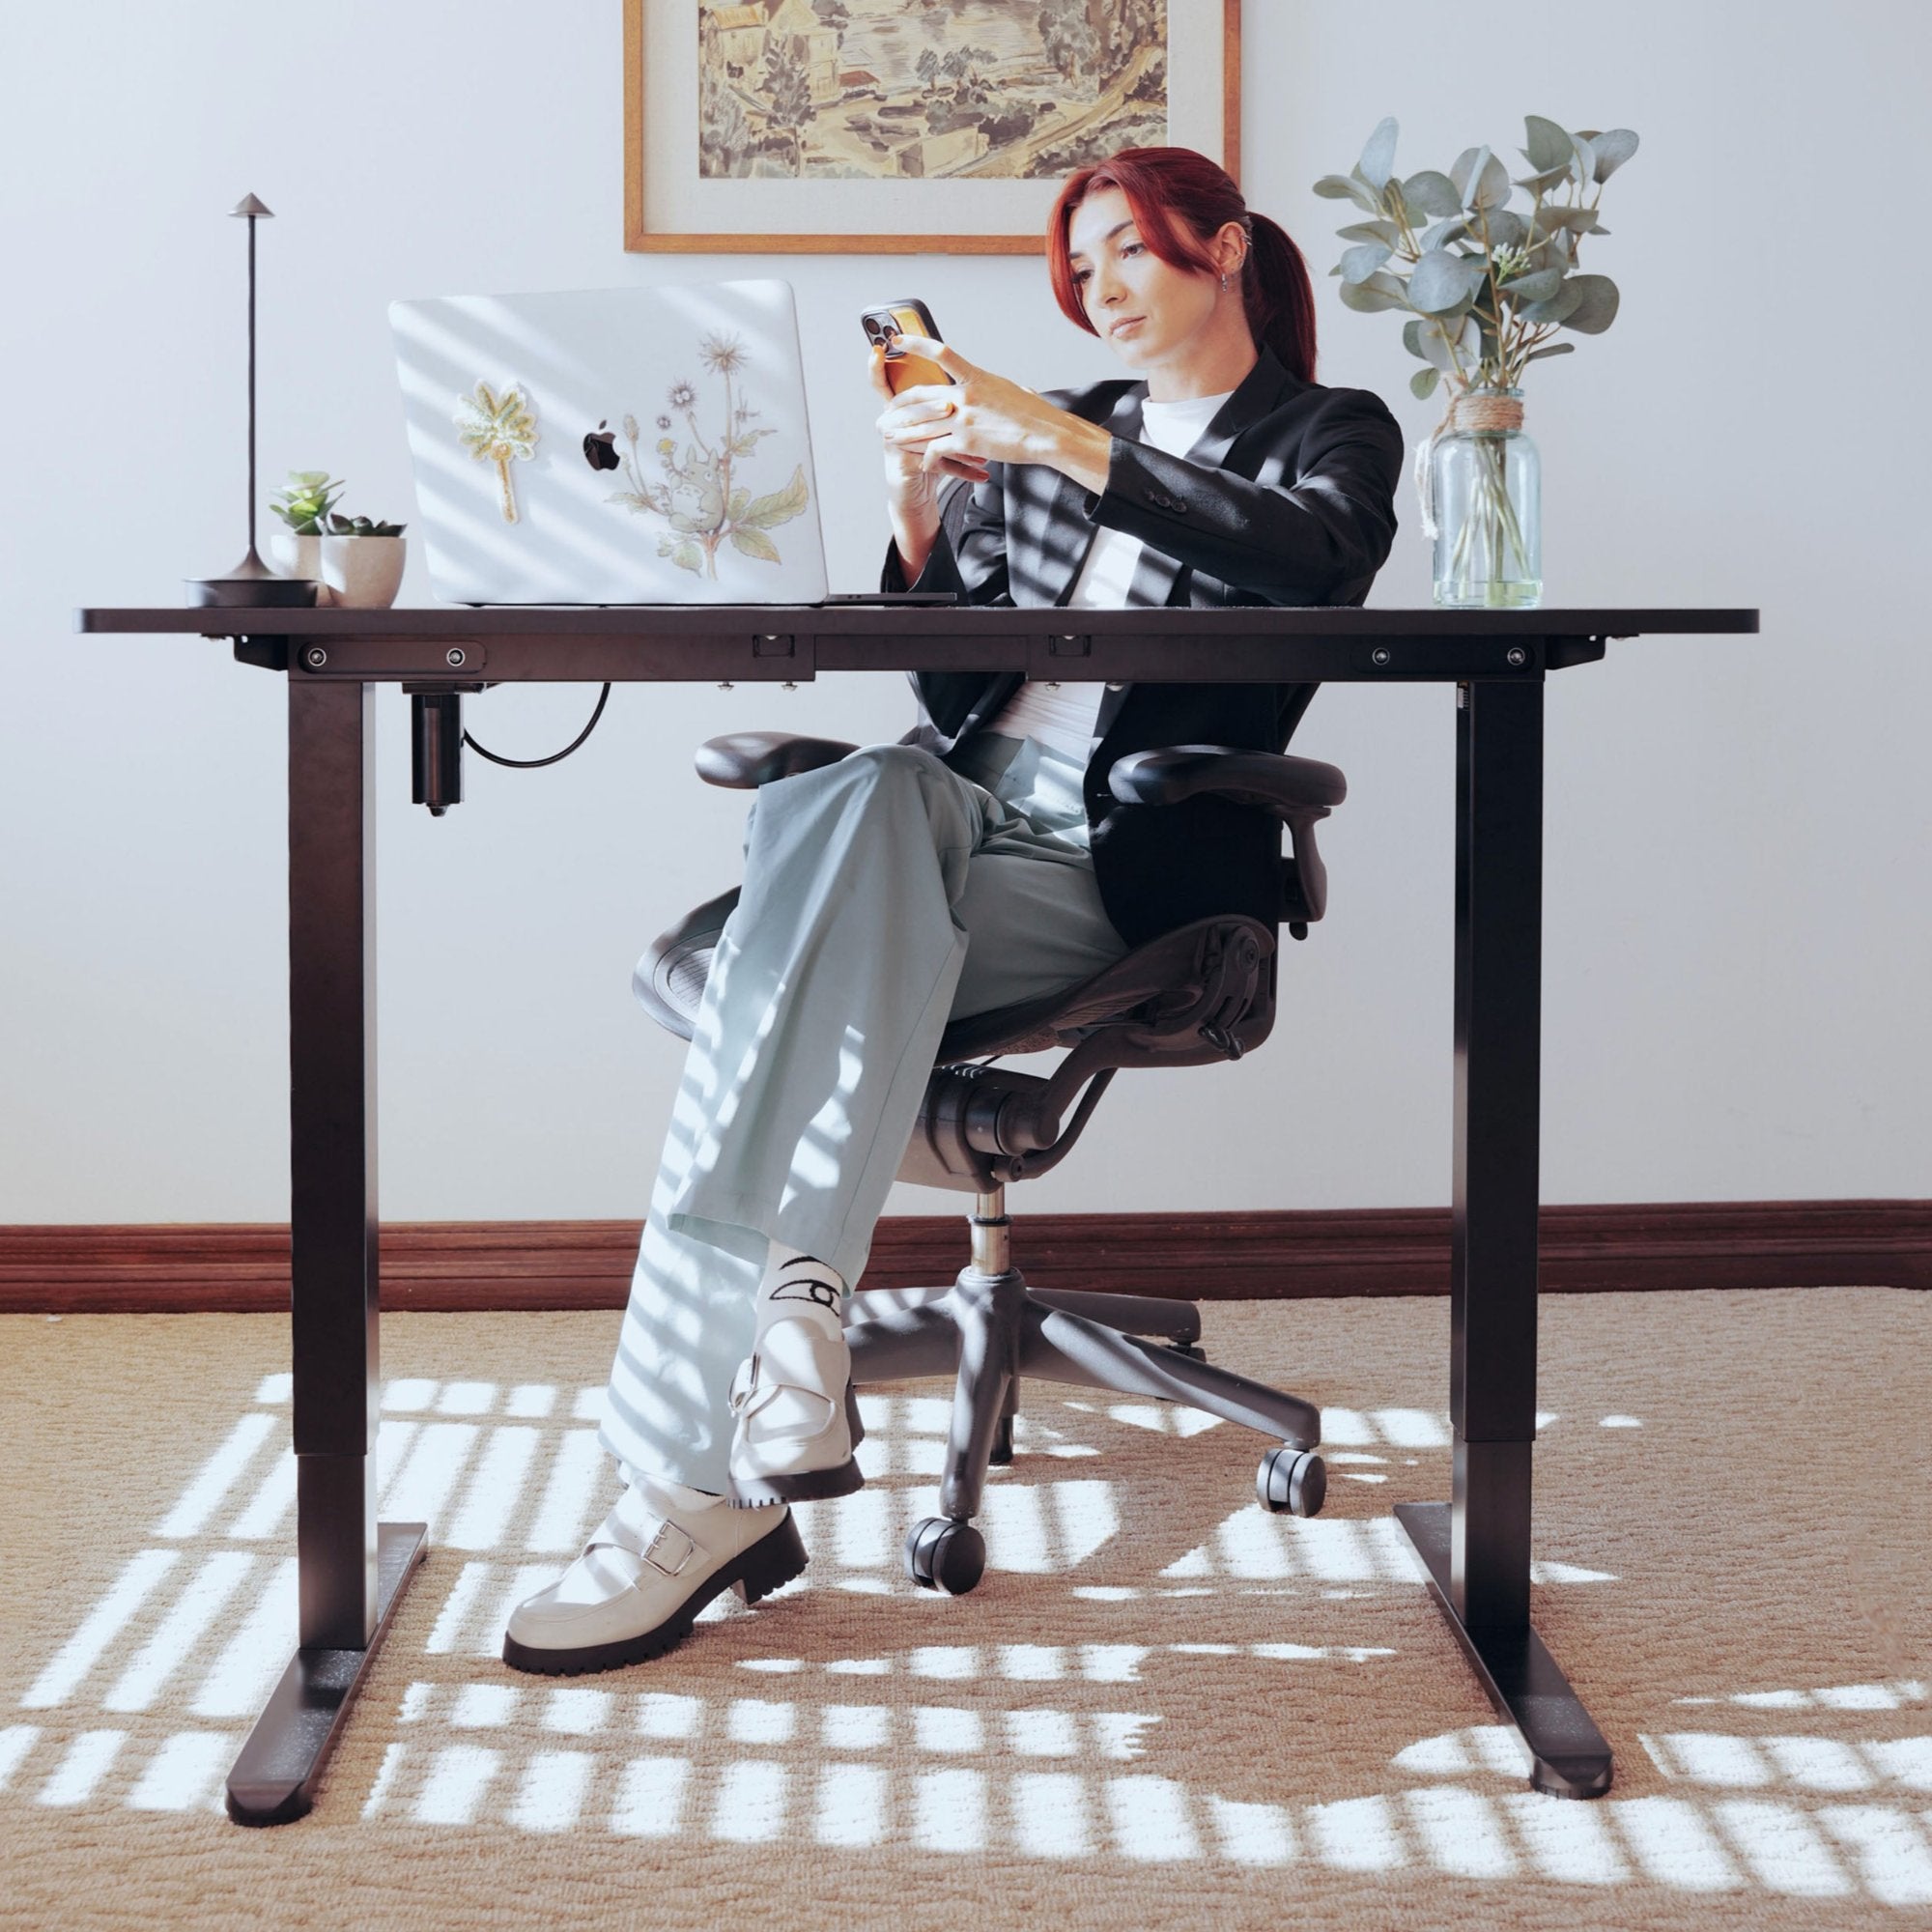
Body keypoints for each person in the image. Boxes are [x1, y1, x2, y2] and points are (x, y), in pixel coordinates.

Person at [502, 146, 1404, 1676]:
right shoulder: (1056, 435)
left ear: (1227, 249)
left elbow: (1315, 562)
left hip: (1123, 867)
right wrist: (920, 521)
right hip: (950, 817)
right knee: (860, 789)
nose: (1099, 290)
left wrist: (1058, 439)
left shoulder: (1327, 432)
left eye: (1127, 254)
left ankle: (691, 1478)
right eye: (1082, 268)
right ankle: (792, 1320)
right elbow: (948, 685)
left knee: (794, 927)